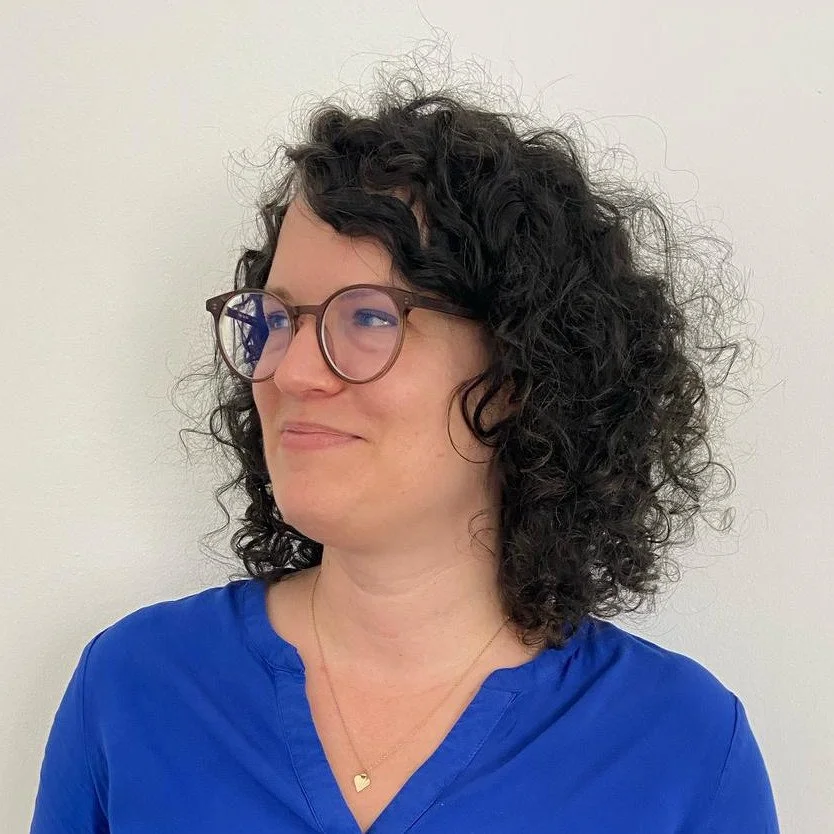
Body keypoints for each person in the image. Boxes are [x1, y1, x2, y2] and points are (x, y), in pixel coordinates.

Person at [30, 75, 780, 833]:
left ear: (519, 369)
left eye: (367, 316)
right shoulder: (135, 688)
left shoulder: (680, 750)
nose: (287, 371)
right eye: (279, 317)